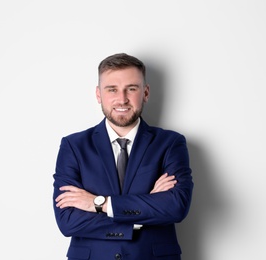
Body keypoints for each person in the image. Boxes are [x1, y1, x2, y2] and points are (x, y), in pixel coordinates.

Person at [53, 53, 193, 260]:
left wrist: (99, 204)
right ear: (99, 94)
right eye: (112, 89)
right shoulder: (74, 146)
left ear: (145, 93)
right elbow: (68, 221)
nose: (122, 99)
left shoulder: (171, 143)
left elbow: (176, 207)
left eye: (132, 89)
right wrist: (148, 206)